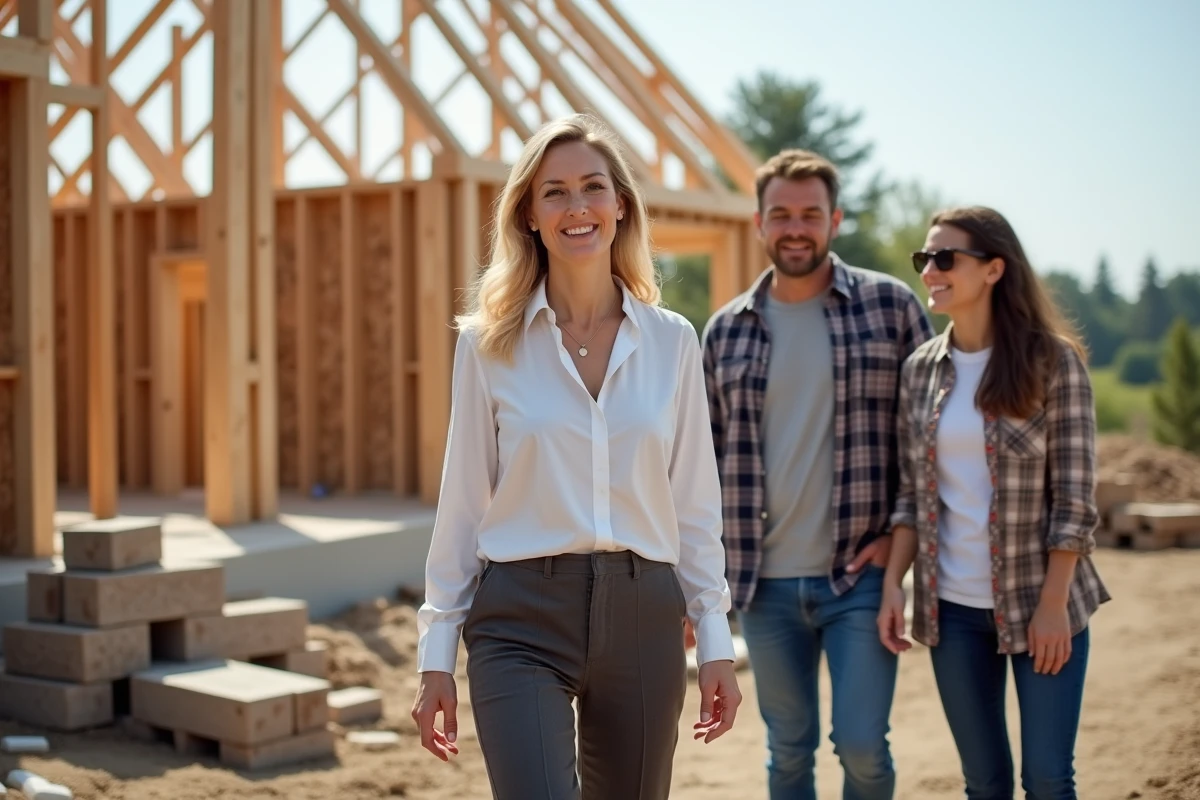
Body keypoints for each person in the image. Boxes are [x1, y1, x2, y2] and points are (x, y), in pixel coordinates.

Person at [410, 113, 742, 800]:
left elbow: (694, 505)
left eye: (593, 187)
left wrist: (714, 638)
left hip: (646, 614)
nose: (576, 206)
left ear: (622, 205)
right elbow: (463, 502)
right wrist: (435, 654)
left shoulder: (674, 342)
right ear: (529, 214)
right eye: (554, 192)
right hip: (519, 618)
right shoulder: (486, 345)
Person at [701, 148, 934, 800]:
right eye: (781, 214)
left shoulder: (891, 308)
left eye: (810, 214)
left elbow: (928, 439)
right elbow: (700, 466)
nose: (795, 227)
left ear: (835, 220)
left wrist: (901, 536)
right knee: (788, 750)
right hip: (761, 583)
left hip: (858, 577)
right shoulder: (724, 332)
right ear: (758, 224)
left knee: (862, 747)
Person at [877, 206, 1111, 799]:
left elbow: (1076, 501)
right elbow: (911, 494)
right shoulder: (919, 372)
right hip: (953, 613)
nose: (929, 270)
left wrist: (1054, 605)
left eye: (945, 258)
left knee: (1049, 780)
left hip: (1043, 604)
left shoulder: (1052, 362)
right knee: (983, 784)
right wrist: (892, 589)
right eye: (923, 259)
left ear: (994, 269)